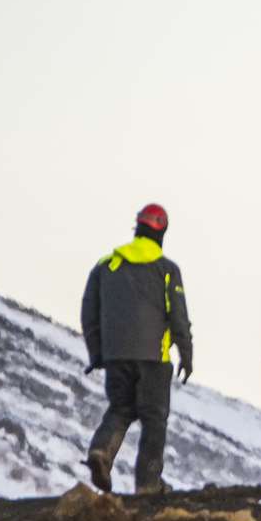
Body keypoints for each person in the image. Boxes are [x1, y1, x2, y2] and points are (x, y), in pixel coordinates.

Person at [81, 203, 193, 495]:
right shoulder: (167, 270)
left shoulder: (106, 265)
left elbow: (89, 311)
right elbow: (178, 316)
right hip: (154, 358)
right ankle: (148, 483)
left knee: (121, 408)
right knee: (154, 419)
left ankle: (101, 451)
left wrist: (97, 353)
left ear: (137, 228)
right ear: (162, 233)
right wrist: (186, 354)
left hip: (115, 355)